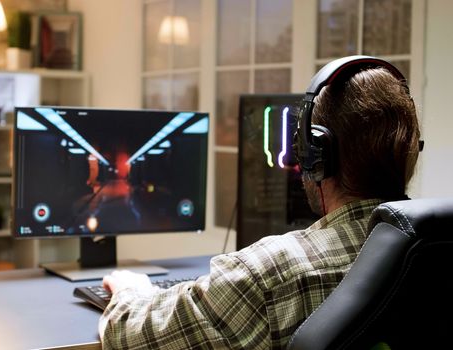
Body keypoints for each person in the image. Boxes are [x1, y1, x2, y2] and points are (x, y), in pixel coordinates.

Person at [98, 56, 422, 349]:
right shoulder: (434, 252)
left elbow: (128, 336)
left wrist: (130, 290)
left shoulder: (267, 275)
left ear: (314, 157)